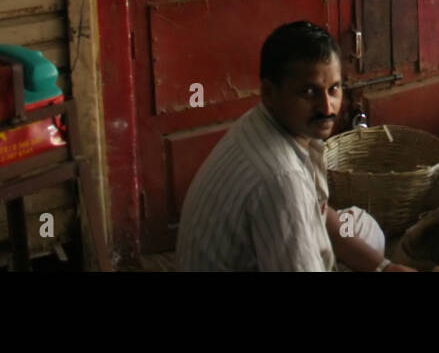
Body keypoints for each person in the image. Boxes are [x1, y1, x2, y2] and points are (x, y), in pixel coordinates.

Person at [176, 20, 414, 272]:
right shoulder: (282, 180)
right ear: (269, 92)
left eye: (333, 89)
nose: (327, 107)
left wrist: (384, 268)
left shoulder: (264, 121)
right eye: (309, 92)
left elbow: (319, 213)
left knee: (367, 230)